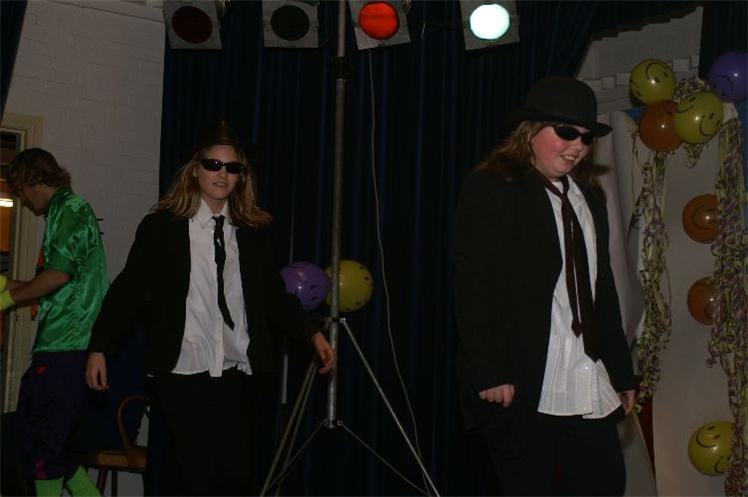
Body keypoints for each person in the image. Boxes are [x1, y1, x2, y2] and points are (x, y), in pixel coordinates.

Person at [85, 121, 335, 496]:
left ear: (241, 176)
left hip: (232, 364)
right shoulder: (162, 227)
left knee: (235, 474)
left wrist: (311, 332)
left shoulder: (251, 233)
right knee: (198, 471)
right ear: (195, 170)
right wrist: (99, 346)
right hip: (180, 364)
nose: (222, 174)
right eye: (213, 165)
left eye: (232, 167)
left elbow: (273, 296)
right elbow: (129, 290)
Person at [453, 77, 635, 496]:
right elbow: (473, 285)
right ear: (531, 130)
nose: (577, 146)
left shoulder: (588, 197)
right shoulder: (493, 188)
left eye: (586, 137)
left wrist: (620, 371)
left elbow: (600, 288)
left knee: (606, 483)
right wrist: (489, 370)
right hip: (524, 378)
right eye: (567, 132)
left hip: (585, 370)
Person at [1, 148, 107, 497]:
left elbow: (58, 275)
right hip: (62, 342)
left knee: (43, 441)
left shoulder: (70, 209)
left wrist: (6, 299)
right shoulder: (64, 211)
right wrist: (7, 285)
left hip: (68, 342)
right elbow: (55, 283)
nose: (22, 199)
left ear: (30, 179)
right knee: (52, 446)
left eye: (19, 190)